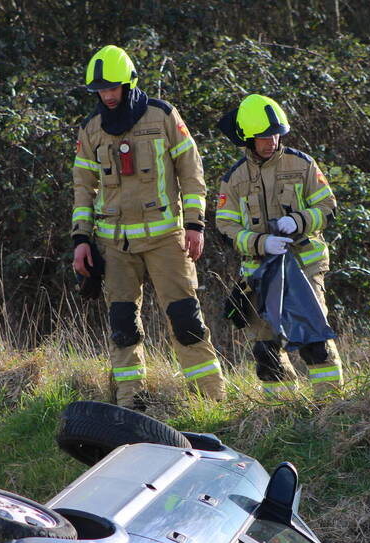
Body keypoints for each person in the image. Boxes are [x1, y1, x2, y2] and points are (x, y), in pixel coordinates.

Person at [70, 45, 226, 410]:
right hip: (114, 246)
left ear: (129, 83)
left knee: (185, 320)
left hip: (167, 241)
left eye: (113, 87)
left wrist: (194, 224)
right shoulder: (90, 130)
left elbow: (192, 172)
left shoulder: (163, 116)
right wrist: (81, 238)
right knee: (123, 327)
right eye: (100, 90)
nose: (107, 96)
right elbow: (83, 187)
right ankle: (130, 404)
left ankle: (213, 403)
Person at [214, 94, 343, 398]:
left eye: (275, 134)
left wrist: (299, 221)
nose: (271, 140)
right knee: (266, 349)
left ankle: (333, 408)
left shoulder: (302, 164)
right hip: (260, 271)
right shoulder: (234, 179)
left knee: (314, 339)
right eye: (263, 136)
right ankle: (280, 412)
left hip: (304, 264)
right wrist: (261, 242)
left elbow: (328, 206)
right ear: (248, 137)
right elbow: (226, 228)